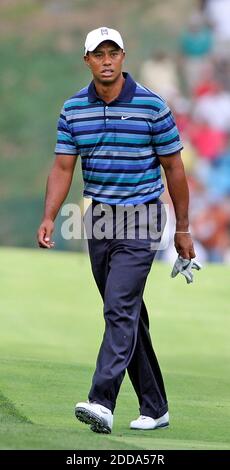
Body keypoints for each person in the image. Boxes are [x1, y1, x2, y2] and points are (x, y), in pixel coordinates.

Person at [37, 27, 195, 434]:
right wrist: (50, 216)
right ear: (86, 60)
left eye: (113, 53)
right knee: (127, 312)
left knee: (118, 308)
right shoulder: (73, 109)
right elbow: (62, 167)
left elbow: (174, 168)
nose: (107, 60)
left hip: (142, 217)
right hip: (99, 218)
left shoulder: (152, 107)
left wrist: (183, 228)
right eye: (98, 54)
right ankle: (155, 406)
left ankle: (101, 401)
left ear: (123, 57)